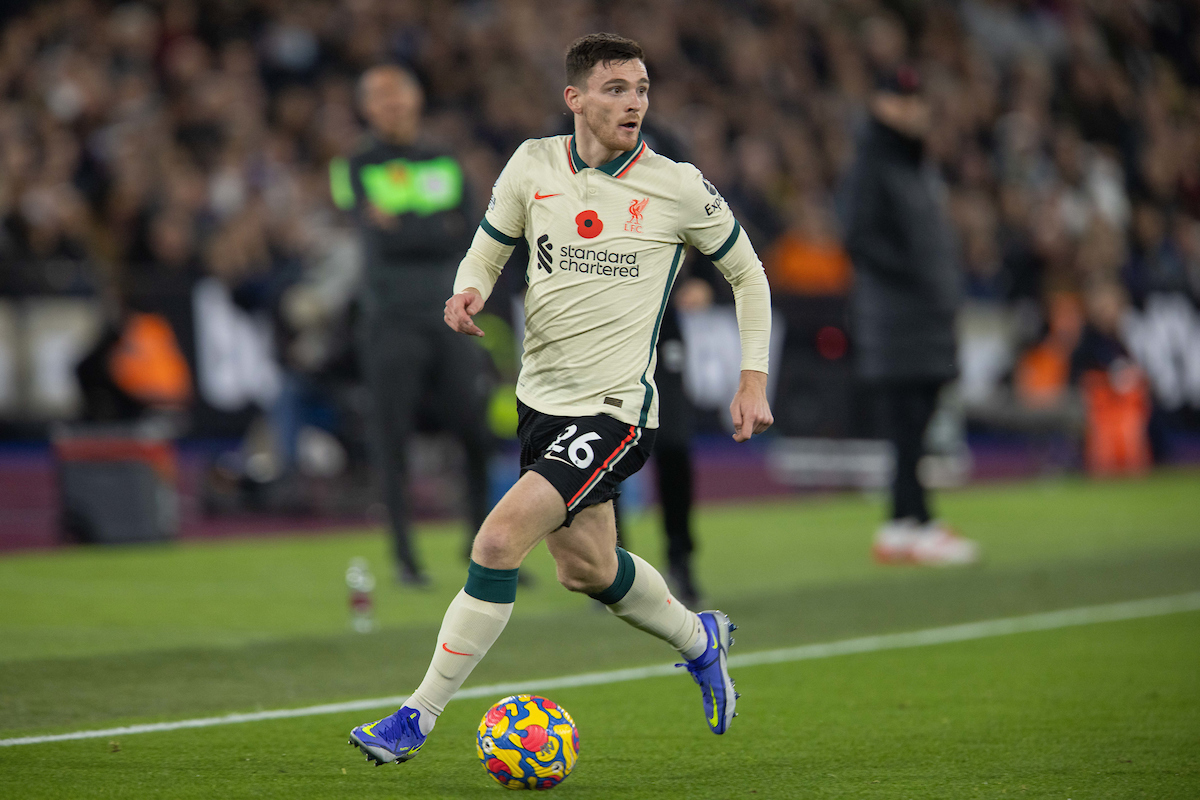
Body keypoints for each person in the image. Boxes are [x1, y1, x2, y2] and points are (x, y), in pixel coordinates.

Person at [348, 33, 773, 766]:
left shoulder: (676, 185)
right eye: (615, 89)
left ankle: (415, 717)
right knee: (587, 569)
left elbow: (748, 274)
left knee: (496, 540)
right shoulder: (532, 164)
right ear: (574, 98)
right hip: (540, 401)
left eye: (640, 88)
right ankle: (701, 640)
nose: (633, 101)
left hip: (613, 411)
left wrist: (752, 377)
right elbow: (490, 241)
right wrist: (469, 287)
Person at [330, 65, 495, 585]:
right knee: (391, 437)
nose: (391, 104)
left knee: (474, 430)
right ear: (366, 108)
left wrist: (408, 226)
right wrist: (432, 228)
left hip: (449, 318)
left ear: (417, 99)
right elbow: (384, 239)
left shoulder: (445, 159)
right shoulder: (353, 165)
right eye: (379, 97)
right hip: (389, 320)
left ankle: (483, 547)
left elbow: (467, 232)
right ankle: (405, 557)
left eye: (398, 94)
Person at [841, 66, 980, 566]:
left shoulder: (912, 165)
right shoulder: (874, 164)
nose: (915, 108)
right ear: (881, 104)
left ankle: (906, 523)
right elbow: (857, 236)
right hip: (897, 320)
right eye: (903, 98)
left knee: (915, 428)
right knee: (907, 429)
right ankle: (913, 522)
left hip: (919, 319)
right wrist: (916, 278)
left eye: (918, 98)